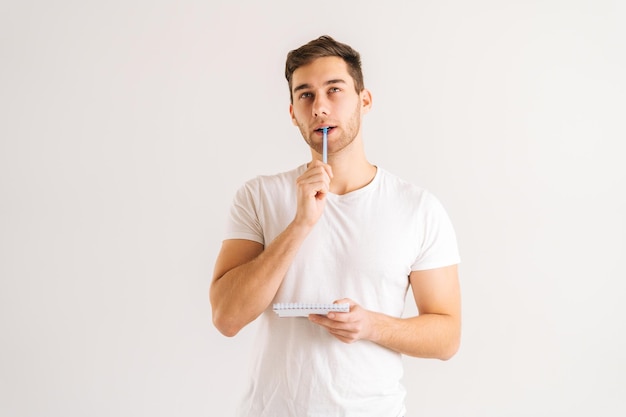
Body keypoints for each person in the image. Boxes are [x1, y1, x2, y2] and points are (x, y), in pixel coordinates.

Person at [210, 35, 461, 417]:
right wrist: (299, 226)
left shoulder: (418, 208)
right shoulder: (258, 196)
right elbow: (227, 318)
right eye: (306, 95)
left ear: (365, 100)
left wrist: (371, 325)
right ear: (292, 112)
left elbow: (447, 336)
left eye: (335, 90)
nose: (320, 108)